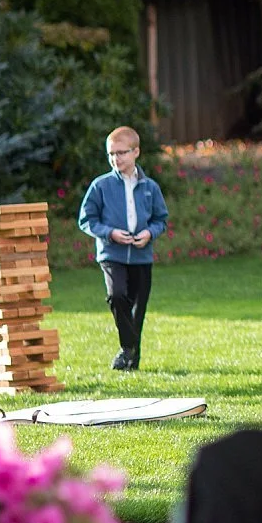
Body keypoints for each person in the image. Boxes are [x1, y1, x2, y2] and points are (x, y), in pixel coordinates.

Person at [77, 126, 171, 370]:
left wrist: (150, 233)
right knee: (117, 296)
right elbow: (86, 220)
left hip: (142, 256)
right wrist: (110, 233)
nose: (115, 159)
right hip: (112, 254)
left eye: (121, 153)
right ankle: (127, 348)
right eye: (111, 154)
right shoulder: (101, 186)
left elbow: (161, 219)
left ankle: (131, 359)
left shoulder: (150, 187)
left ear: (136, 152)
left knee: (138, 310)